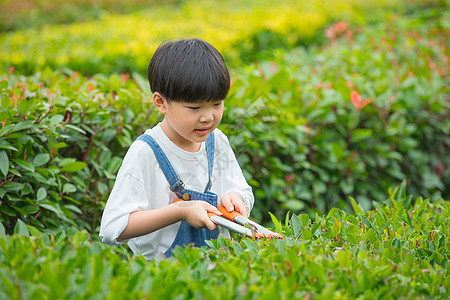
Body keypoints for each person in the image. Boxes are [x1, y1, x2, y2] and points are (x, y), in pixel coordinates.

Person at [99, 38, 254, 260]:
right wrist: (180, 211)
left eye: (217, 104)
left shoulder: (216, 141)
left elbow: (242, 190)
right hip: (161, 277)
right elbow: (113, 227)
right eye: (194, 107)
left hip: (218, 273)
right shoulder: (146, 152)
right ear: (161, 102)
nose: (208, 117)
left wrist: (235, 198)